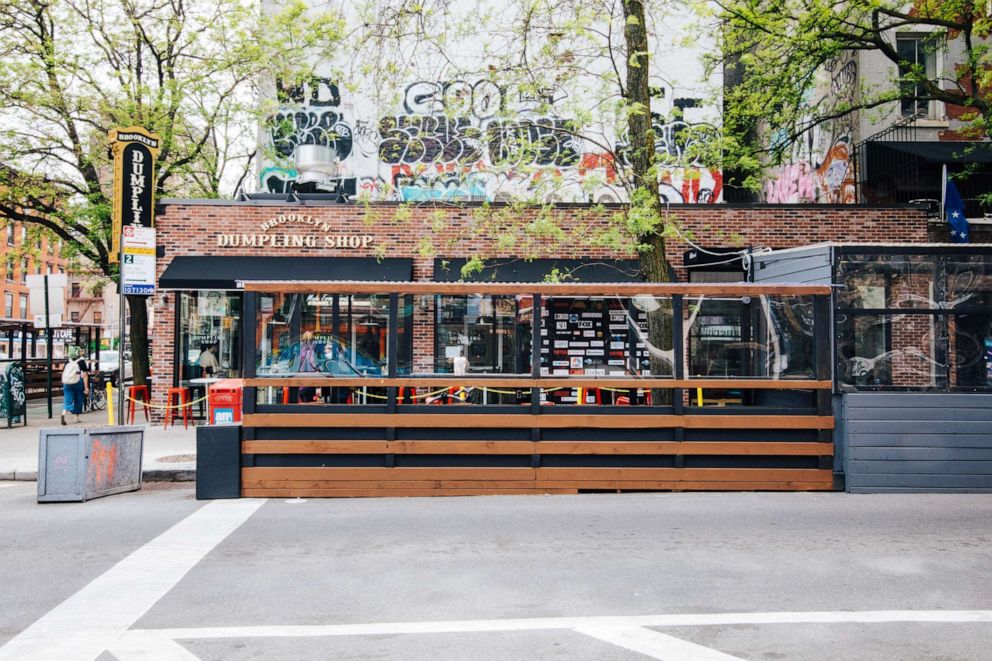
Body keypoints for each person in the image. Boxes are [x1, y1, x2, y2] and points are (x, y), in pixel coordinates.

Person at [60, 346, 89, 425]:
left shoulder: (67, 362)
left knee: (67, 399)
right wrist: (86, 388)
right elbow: (85, 375)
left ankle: (63, 413)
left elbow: (64, 374)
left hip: (67, 383)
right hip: (77, 383)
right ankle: (76, 417)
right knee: (78, 399)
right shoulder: (81, 362)